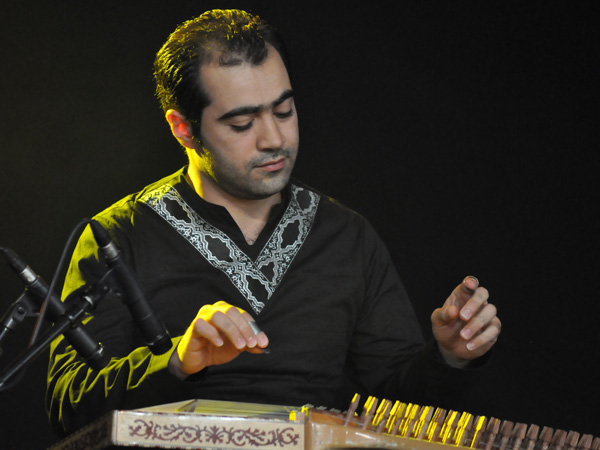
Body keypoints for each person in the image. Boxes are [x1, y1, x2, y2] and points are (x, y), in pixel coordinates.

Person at [46, 9, 501, 437]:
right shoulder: (117, 237)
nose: (275, 138)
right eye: (242, 123)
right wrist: (176, 362)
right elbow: (68, 406)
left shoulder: (347, 236)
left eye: (284, 111)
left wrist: (449, 357)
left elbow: (398, 405)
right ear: (183, 128)